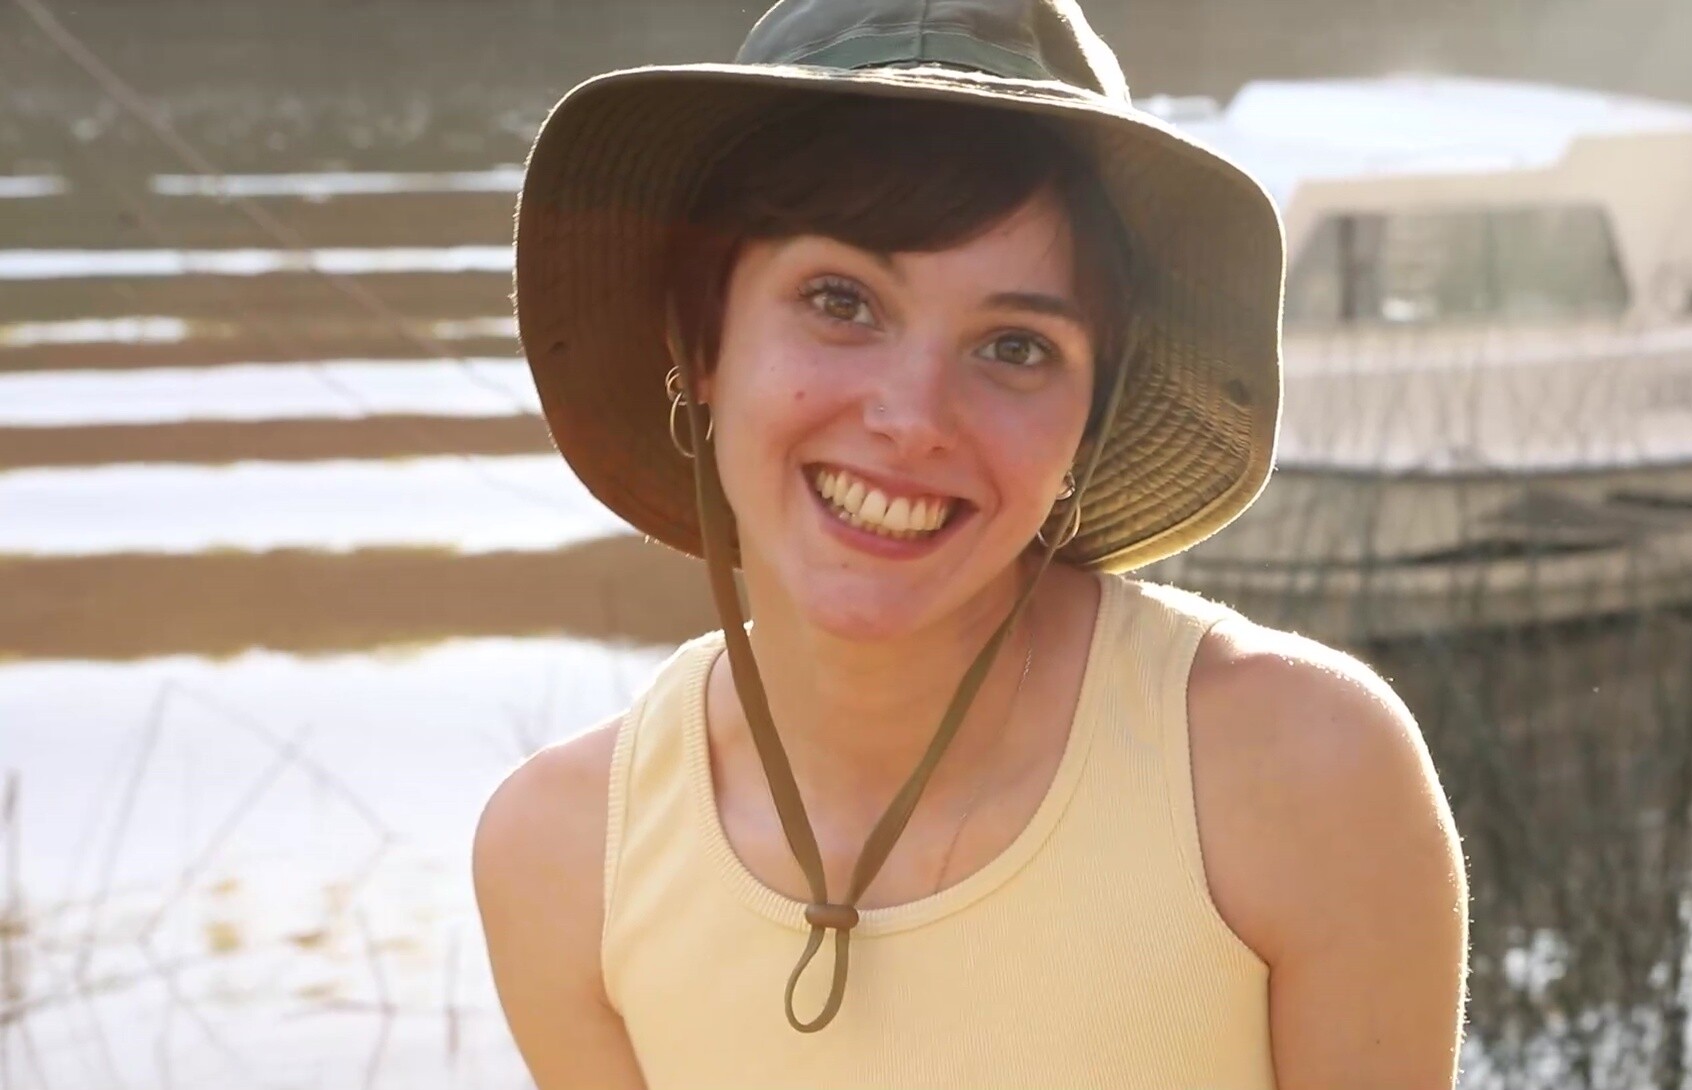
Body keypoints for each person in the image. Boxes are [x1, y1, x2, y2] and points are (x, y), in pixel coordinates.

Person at [473, 0, 1468, 1086]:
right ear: (701, 340)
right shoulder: (565, 857)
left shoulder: (1297, 772)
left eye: (1014, 346)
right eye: (841, 300)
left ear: (1091, 422)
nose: (913, 419)